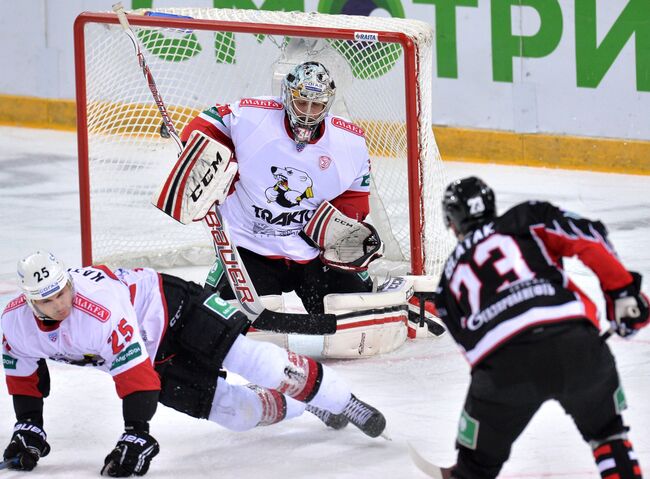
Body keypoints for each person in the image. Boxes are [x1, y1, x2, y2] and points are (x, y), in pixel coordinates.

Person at [1, 251, 387, 476]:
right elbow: (22, 374)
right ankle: (307, 403)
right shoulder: (14, 325)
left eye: (64, 290)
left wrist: (136, 432)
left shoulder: (98, 310)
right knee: (237, 414)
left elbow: (135, 377)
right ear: (30, 301)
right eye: (50, 300)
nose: (62, 302)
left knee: (252, 360)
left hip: (174, 308)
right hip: (155, 354)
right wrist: (28, 426)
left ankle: (342, 399)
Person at [430, 176, 648, 479]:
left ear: (452, 223)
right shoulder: (525, 218)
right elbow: (589, 237)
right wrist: (622, 293)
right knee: (608, 434)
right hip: (575, 344)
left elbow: (470, 346)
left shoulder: (445, 282)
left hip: (503, 369)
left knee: (474, 468)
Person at [179, 61, 383, 332]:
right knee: (224, 331)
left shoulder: (350, 141)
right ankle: (224, 277)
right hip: (251, 249)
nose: (309, 114)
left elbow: (354, 197)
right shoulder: (252, 116)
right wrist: (200, 155)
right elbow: (204, 127)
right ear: (288, 96)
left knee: (359, 325)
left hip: (312, 254)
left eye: (317, 106)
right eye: (302, 103)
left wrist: (339, 229)